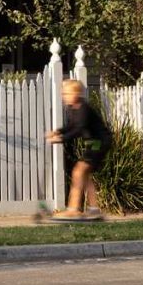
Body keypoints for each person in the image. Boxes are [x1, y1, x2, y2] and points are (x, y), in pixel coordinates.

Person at [47, 79, 111, 220]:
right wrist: (57, 131)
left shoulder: (83, 108)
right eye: (63, 93)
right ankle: (94, 210)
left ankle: (73, 209)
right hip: (93, 142)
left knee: (78, 171)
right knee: (83, 174)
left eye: (67, 93)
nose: (64, 96)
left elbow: (79, 129)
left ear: (76, 94)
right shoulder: (72, 108)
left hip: (99, 142)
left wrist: (60, 139)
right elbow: (70, 126)